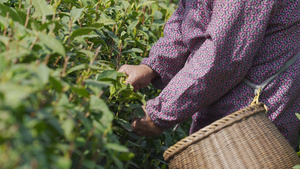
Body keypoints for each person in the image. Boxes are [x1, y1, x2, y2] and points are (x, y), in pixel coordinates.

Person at [118, 0, 300, 150]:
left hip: (255, 122)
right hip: (225, 115)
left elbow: (222, 58)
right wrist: (152, 66)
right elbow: (192, 16)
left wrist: (162, 112)